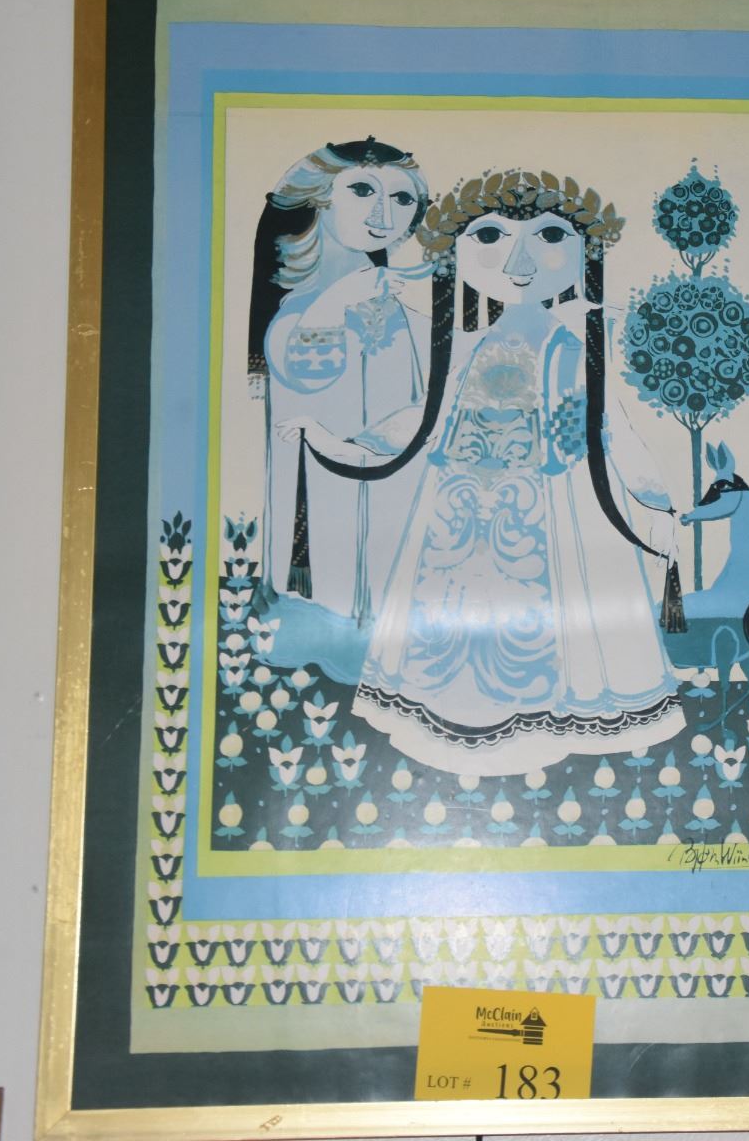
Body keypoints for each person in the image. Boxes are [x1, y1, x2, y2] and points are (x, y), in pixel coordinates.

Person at [342, 169, 688, 777]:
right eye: (491, 238)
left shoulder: (574, 347)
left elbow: (614, 428)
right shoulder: (471, 346)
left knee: (551, 629)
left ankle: (543, 733)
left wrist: (656, 501)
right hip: (459, 513)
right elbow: (424, 416)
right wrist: (345, 441)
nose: (520, 261)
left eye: (549, 237)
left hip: (552, 507)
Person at [248, 138, 432, 644]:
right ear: (319, 200)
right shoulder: (299, 305)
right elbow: (306, 372)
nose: (383, 214)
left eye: (402, 198)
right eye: (362, 191)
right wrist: (337, 301)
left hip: (393, 474)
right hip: (321, 486)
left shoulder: (404, 309)